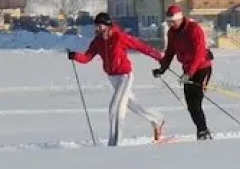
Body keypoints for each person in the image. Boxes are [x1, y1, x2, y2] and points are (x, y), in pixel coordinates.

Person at [67, 13, 166, 146]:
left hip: (125, 75)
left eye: (100, 25)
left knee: (115, 108)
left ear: (107, 25)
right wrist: (75, 56)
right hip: (112, 77)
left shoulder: (119, 37)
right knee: (134, 105)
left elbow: (140, 46)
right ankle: (157, 119)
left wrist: (158, 56)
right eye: (96, 25)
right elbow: (87, 57)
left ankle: (114, 144)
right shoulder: (98, 41)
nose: (97, 28)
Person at [154, 4, 214, 139]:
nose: (171, 24)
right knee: (190, 104)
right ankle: (202, 130)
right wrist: (162, 69)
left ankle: (203, 131)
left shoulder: (194, 29)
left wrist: (189, 73)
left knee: (196, 101)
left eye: (173, 22)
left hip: (202, 67)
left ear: (180, 19)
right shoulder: (171, 33)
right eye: (169, 22)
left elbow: (199, 54)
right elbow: (170, 52)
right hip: (188, 70)